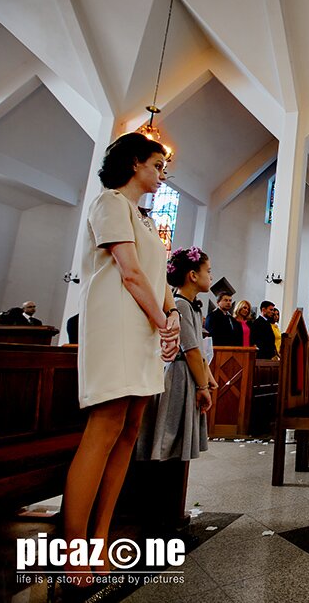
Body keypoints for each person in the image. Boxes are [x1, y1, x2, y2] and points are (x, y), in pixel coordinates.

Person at [61, 132, 180, 585]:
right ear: (134, 163)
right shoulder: (109, 203)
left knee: (129, 432)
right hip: (116, 323)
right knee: (104, 427)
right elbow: (129, 273)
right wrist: (163, 322)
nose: (162, 174)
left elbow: (157, 278)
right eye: (157, 165)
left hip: (145, 326)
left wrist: (171, 316)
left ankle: (102, 536)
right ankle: (74, 547)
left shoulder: (145, 220)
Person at [136, 246, 215, 462]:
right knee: (170, 434)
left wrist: (208, 376)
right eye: (208, 271)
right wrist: (203, 387)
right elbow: (191, 351)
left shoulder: (192, 306)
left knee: (180, 437)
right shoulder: (180, 305)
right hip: (179, 375)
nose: (211, 276)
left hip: (190, 373)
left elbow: (199, 348)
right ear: (193, 275)